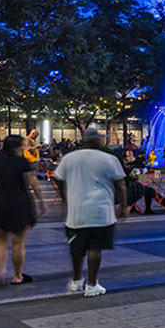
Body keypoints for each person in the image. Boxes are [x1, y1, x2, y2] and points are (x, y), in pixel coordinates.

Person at [53, 127, 127, 297]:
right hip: (101, 211)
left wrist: (65, 200)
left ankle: (76, 280)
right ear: (98, 141)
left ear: (82, 140)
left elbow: (59, 180)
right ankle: (92, 285)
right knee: (95, 247)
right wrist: (123, 206)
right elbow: (120, 184)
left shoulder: (68, 158)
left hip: (76, 212)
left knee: (76, 248)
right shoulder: (109, 159)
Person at [0, 135, 45, 285]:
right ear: (17, 147)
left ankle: (1, 272)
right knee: (18, 243)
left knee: (1, 241)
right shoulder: (23, 163)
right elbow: (33, 184)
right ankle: (17, 276)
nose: (25, 147)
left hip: (2, 204)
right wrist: (41, 202)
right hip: (21, 204)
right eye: (23, 145)